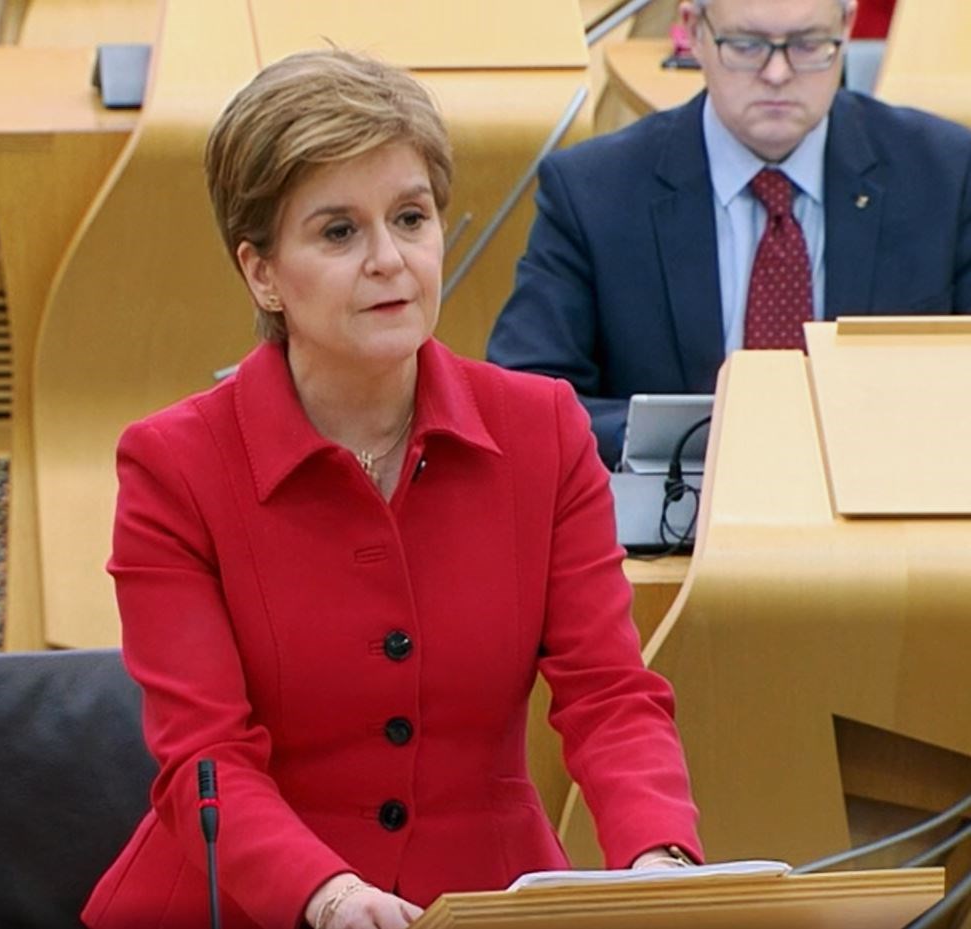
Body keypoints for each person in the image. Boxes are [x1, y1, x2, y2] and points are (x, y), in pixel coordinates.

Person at [81, 49, 702, 929]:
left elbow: (607, 692)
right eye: (338, 232)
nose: (388, 260)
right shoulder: (172, 465)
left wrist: (657, 855)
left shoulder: (541, 429)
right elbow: (204, 758)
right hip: (252, 902)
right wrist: (325, 895)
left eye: (409, 218)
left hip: (484, 898)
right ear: (261, 272)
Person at [487, 0, 971, 468]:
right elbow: (523, 394)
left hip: (886, 518)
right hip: (676, 530)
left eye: (807, 45)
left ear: (845, 28)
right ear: (693, 31)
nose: (777, 73)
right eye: (745, 45)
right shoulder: (593, 191)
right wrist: (674, 440)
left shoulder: (945, 174)